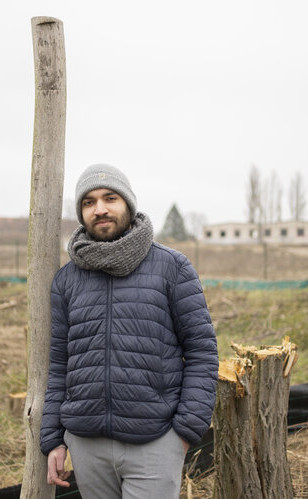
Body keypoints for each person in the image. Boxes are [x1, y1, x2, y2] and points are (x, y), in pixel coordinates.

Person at [40, 164, 218, 498]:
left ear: (128, 204)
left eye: (110, 198)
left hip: (155, 441)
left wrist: (185, 430)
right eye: (89, 202)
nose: (100, 208)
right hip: (86, 443)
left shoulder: (171, 268)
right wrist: (53, 439)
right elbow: (59, 364)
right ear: (81, 212)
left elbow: (201, 352)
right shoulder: (67, 280)